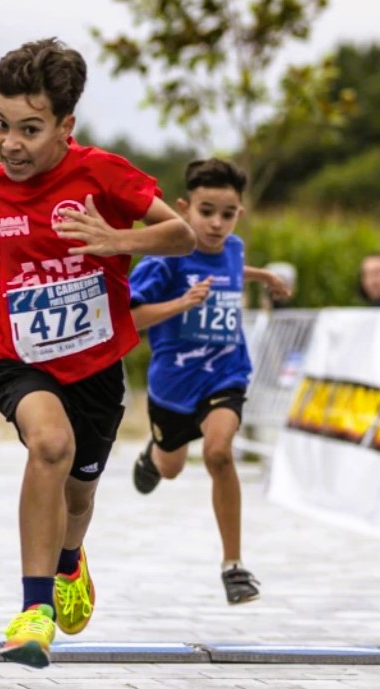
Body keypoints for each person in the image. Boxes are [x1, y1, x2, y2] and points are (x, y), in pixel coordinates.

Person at [0, 38, 196, 668]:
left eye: (30, 129)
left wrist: (116, 238)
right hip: (20, 360)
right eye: (1, 125)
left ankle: (69, 561)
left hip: (96, 367)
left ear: (66, 126)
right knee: (50, 446)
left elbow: (182, 233)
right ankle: (34, 613)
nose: (11, 144)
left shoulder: (102, 173)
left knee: (79, 497)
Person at [129, 159, 290, 606]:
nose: (217, 223)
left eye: (228, 212)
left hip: (226, 373)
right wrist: (182, 303)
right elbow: (128, 317)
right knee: (173, 467)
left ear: (239, 213)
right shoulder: (164, 258)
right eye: (206, 211)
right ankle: (153, 455)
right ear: (183, 209)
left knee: (219, 452)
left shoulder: (234, 248)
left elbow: (230, 272)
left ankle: (234, 566)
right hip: (174, 385)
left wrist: (264, 277)